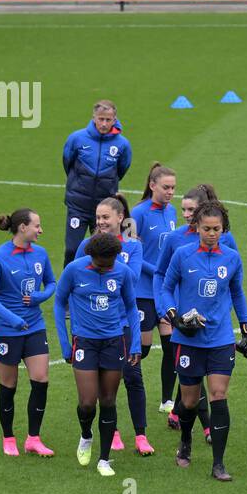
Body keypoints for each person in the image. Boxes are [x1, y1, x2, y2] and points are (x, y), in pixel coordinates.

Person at [159, 200, 247, 480]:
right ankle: (186, 441)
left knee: (219, 395)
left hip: (221, 338)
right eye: (207, 229)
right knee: (188, 402)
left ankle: (218, 463)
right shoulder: (183, 255)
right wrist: (174, 316)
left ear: (224, 230)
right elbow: (165, 288)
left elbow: (237, 294)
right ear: (197, 228)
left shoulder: (232, 258)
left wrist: (245, 330)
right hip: (188, 340)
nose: (212, 234)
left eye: (217, 229)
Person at [54, 232, 142, 477]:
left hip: (113, 342)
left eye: (111, 263)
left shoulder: (122, 272)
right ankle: (85, 434)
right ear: (92, 257)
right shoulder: (74, 270)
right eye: (103, 264)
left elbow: (132, 307)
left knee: (109, 400)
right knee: (87, 402)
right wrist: (64, 342)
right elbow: (59, 303)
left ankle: (104, 459)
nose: (107, 268)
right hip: (85, 342)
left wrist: (134, 343)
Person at [154, 184, 234, 437]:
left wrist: (225, 311)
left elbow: (231, 279)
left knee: (198, 376)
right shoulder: (175, 239)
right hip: (180, 318)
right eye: (184, 210)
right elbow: (160, 274)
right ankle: (199, 422)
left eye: (191, 210)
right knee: (188, 373)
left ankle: (191, 418)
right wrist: (167, 310)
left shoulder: (225, 239)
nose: (186, 215)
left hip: (212, 322)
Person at [76, 194, 152, 455]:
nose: (100, 222)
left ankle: (141, 435)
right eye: (97, 218)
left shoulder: (133, 246)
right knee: (105, 382)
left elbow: (133, 277)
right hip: (97, 325)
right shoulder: (87, 244)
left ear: (121, 218)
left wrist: (110, 256)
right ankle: (114, 431)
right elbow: (74, 276)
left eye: (105, 217)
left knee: (133, 375)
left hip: (124, 322)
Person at [0, 208, 57, 458]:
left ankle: (34, 438)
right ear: (22, 227)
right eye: (37, 225)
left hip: (34, 326)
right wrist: (12, 319)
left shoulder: (41, 254)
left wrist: (39, 297)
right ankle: (8, 437)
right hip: (5, 329)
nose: (41, 230)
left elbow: (52, 283)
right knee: (9, 384)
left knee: (41, 379)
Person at [60, 99, 132, 266]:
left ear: (115, 120)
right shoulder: (76, 138)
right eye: (101, 119)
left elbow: (121, 169)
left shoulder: (122, 144)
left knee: (101, 250)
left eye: (108, 120)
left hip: (105, 208)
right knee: (72, 250)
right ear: (94, 118)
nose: (104, 123)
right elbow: (67, 163)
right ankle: (68, 287)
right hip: (78, 205)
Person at [131, 163, 177, 418]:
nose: (170, 192)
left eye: (173, 188)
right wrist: (160, 270)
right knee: (144, 348)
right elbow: (129, 253)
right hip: (142, 291)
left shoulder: (171, 213)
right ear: (152, 185)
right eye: (166, 187)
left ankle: (167, 399)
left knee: (171, 346)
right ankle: (122, 379)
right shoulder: (137, 214)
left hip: (165, 291)